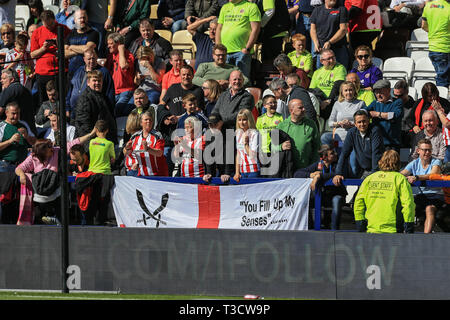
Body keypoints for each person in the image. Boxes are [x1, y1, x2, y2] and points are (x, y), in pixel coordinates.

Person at [15, 127, 97, 225]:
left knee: (61, 197)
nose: (52, 147)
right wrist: (22, 175)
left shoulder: (56, 151)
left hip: (55, 189)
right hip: (40, 191)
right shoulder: (33, 157)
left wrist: (90, 134)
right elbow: (19, 169)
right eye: (49, 147)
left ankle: (57, 219)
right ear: (42, 151)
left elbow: (75, 142)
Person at [353, 150, 415, 233]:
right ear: (397, 163)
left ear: (381, 161)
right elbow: (408, 204)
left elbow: (358, 202)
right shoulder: (400, 179)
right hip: (394, 229)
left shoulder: (369, 178)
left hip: (371, 228)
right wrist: (409, 225)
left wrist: (360, 223)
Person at [294, 144, 347, 230]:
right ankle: (310, 227)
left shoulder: (338, 164)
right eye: (332, 153)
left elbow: (338, 173)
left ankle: (335, 231)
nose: (336, 154)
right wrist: (311, 174)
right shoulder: (317, 165)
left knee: (336, 201)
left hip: (335, 195)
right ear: (324, 157)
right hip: (323, 195)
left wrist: (319, 176)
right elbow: (296, 174)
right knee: (304, 201)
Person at [401, 139, 444, 233]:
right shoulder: (414, 163)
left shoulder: (436, 162)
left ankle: (426, 238)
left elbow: (432, 175)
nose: (427, 152)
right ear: (418, 151)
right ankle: (406, 234)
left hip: (436, 195)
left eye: (429, 150)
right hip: (421, 196)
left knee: (429, 209)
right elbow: (402, 174)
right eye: (424, 150)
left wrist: (417, 177)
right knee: (406, 205)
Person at [30, 10, 71, 107]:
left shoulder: (64, 29)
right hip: (43, 72)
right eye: (46, 25)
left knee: (61, 100)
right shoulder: (37, 32)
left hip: (59, 70)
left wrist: (58, 44)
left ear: (54, 19)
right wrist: (44, 48)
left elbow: (70, 47)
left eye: (51, 24)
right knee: (44, 102)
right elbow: (32, 54)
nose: (49, 27)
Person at [333, 109, 385, 181]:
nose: (362, 124)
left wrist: (374, 175)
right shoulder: (352, 132)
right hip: (365, 170)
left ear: (368, 121)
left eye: (364, 121)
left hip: (378, 170)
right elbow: (344, 154)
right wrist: (338, 173)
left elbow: (376, 154)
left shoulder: (375, 131)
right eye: (359, 122)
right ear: (355, 124)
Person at [216, 0, 261, 79]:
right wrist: (218, 48)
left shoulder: (251, 7)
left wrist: (247, 48)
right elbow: (219, 28)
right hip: (225, 53)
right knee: (224, 80)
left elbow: (256, 29)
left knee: (242, 81)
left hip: (241, 52)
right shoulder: (224, 7)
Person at [273, 98, 321, 171]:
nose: (304, 109)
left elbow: (317, 146)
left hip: (307, 169)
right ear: (291, 110)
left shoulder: (311, 124)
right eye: (300, 108)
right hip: (288, 170)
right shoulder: (281, 126)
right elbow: (272, 147)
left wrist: (312, 166)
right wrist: (281, 147)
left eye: (303, 107)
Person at [67, 49, 115, 117]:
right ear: (84, 59)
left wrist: (108, 113)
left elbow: (110, 94)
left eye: (93, 58)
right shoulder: (78, 71)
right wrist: (67, 107)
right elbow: (71, 89)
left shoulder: (103, 72)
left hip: (93, 113)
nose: (91, 61)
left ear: (96, 58)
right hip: (74, 112)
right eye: (89, 59)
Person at [74, 70, 117, 144]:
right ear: (88, 82)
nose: (97, 83)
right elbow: (83, 124)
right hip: (92, 143)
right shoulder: (85, 99)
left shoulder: (104, 97)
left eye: (99, 81)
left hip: (104, 142)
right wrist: (92, 143)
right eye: (94, 80)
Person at [321, 81, 366, 152]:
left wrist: (351, 125)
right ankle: (328, 158)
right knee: (324, 137)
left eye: (350, 90)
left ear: (354, 91)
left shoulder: (360, 104)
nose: (348, 92)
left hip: (353, 138)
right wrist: (339, 123)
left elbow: (364, 122)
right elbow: (330, 123)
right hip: (339, 138)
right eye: (346, 90)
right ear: (342, 92)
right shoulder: (337, 104)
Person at [123, 110, 168, 177]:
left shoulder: (157, 135)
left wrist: (148, 149)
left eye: (150, 120)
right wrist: (127, 148)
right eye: (146, 120)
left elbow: (159, 153)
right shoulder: (135, 136)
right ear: (141, 123)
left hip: (157, 174)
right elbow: (126, 152)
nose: (148, 121)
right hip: (141, 174)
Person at [364, 79, 403, 151]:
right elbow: (364, 111)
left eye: (381, 92)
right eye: (376, 92)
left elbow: (396, 115)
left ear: (388, 90)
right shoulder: (375, 103)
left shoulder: (397, 102)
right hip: (376, 142)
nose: (378, 95)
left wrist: (377, 114)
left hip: (392, 144)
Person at [310, 0, 349, 69]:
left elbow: (343, 29)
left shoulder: (342, 9)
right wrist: (316, 43)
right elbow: (313, 29)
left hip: (338, 49)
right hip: (322, 50)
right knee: (322, 75)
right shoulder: (317, 10)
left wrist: (330, 42)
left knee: (341, 74)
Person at [105, 32, 136, 117]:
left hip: (125, 91)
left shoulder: (128, 55)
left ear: (119, 44)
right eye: (108, 44)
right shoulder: (110, 56)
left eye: (111, 44)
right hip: (113, 91)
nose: (108, 46)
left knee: (117, 111)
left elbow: (123, 66)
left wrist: (121, 50)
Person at [421, 0, 450, 87]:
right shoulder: (448, 7)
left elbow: (423, 26)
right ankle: (441, 100)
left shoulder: (428, 6)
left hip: (433, 48)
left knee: (442, 78)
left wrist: (434, 32)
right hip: (445, 48)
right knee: (443, 80)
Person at [64, 9, 99, 77]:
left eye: (84, 17)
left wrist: (71, 47)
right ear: (75, 20)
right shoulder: (70, 34)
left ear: (87, 18)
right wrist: (82, 50)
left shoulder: (93, 33)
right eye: (80, 18)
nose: (82, 20)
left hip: (88, 73)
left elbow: (87, 49)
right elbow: (64, 53)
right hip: (72, 73)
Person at [0, 69, 36, 135]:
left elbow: (0, 110)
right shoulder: (25, 90)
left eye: (4, 78)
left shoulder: (10, 89)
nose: (1, 81)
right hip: (29, 129)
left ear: (12, 80)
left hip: (17, 131)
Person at [202, 113, 235, 183]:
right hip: (217, 166)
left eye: (215, 124)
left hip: (231, 167)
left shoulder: (229, 132)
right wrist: (209, 173)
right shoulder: (209, 133)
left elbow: (229, 153)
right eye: (210, 125)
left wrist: (227, 173)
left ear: (221, 123)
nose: (213, 127)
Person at [0, 103, 32, 174]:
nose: (16, 116)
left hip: (22, 167)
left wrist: (27, 137)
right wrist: (10, 141)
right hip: (5, 166)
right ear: (6, 113)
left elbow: (35, 142)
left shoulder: (23, 125)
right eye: (13, 113)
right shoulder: (1, 127)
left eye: (18, 113)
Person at [234, 108, 260, 182]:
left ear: (249, 120)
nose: (241, 122)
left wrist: (246, 144)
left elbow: (252, 155)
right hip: (242, 170)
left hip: (253, 170)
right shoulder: (238, 133)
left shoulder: (254, 133)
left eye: (244, 120)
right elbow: (238, 154)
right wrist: (237, 172)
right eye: (239, 120)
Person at [393, 79, 416, 148]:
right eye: (395, 95)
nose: (397, 98)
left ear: (407, 92)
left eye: (400, 96)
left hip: (408, 136)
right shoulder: (392, 103)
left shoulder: (414, 105)